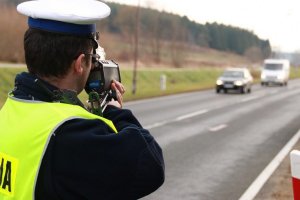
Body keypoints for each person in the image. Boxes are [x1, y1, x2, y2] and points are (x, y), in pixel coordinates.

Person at [0, 0, 165, 199]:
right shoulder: (69, 134)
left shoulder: (9, 111)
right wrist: (113, 108)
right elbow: (150, 164)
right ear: (79, 63)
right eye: (92, 59)